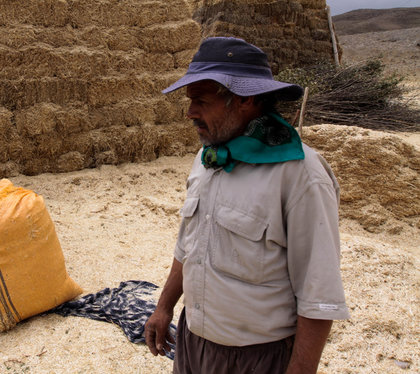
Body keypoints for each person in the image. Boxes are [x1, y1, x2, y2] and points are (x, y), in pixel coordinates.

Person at [144, 37, 349, 373]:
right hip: (193, 343)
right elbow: (190, 243)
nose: (189, 112)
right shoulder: (208, 157)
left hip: (257, 359)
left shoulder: (299, 175)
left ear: (245, 99)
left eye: (201, 100)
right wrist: (164, 307)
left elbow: (319, 293)